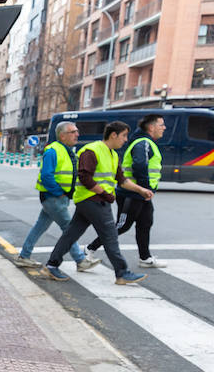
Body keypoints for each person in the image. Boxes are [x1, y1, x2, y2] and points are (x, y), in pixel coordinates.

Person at [42, 121, 151, 285]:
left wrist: (140, 190)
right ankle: (122, 273)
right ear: (113, 135)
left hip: (93, 201)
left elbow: (121, 180)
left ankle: (51, 265)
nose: (125, 140)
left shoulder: (113, 154)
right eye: (123, 136)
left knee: (71, 234)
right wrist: (105, 194)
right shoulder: (91, 150)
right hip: (93, 200)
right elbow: (84, 177)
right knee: (110, 235)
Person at [12, 121, 99, 272]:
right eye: (73, 132)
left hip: (57, 197)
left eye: (77, 131)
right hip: (54, 197)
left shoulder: (67, 150)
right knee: (69, 229)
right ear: (62, 135)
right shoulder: (53, 150)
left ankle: (24, 256)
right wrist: (59, 193)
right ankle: (80, 260)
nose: (77, 134)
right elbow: (46, 176)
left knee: (40, 227)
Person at [87, 114, 167, 268]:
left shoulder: (146, 142)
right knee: (122, 225)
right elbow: (139, 165)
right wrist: (145, 189)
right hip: (133, 193)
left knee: (145, 222)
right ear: (151, 127)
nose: (164, 128)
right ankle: (90, 248)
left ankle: (145, 258)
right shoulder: (143, 143)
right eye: (161, 125)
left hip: (140, 193)